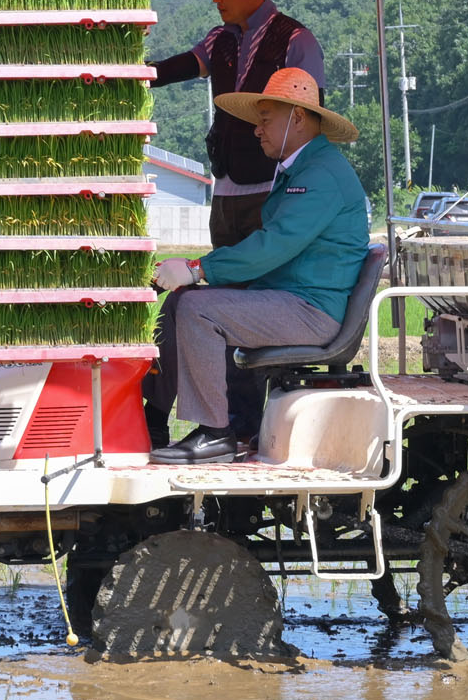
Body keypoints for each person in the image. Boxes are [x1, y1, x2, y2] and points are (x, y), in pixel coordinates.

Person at [147, 68, 369, 464]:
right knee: (181, 302)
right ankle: (153, 419)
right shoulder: (302, 169)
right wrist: (195, 276)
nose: (257, 130)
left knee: (198, 310)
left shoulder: (320, 175)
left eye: (265, 119)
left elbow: (273, 246)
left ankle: (215, 433)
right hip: (288, 296)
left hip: (310, 310)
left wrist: (198, 269)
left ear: (297, 119)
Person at [147, 0, 326, 249]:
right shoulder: (220, 38)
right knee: (224, 274)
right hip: (224, 190)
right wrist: (128, 70)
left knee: (266, 275)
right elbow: (178, 67)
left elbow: (313, 118)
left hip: (272, 188)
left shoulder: (297, 41)